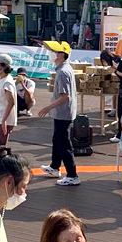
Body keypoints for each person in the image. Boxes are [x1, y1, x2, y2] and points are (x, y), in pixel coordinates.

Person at [38, 41, 80, 186]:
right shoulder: (64, 68)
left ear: (61, 55)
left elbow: (65, 96)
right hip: (63, 112)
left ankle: (73, 175)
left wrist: (48, 107)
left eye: (53, 51)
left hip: (63, 112)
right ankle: (55, 167)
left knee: (63, 142)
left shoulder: (63, 72)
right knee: (57, 139)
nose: (51, 54)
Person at [102, 50, 122, 142]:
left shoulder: (119, 61)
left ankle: (120, 135)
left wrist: (115, 71)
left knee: (121, 112)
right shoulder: (119, 59)